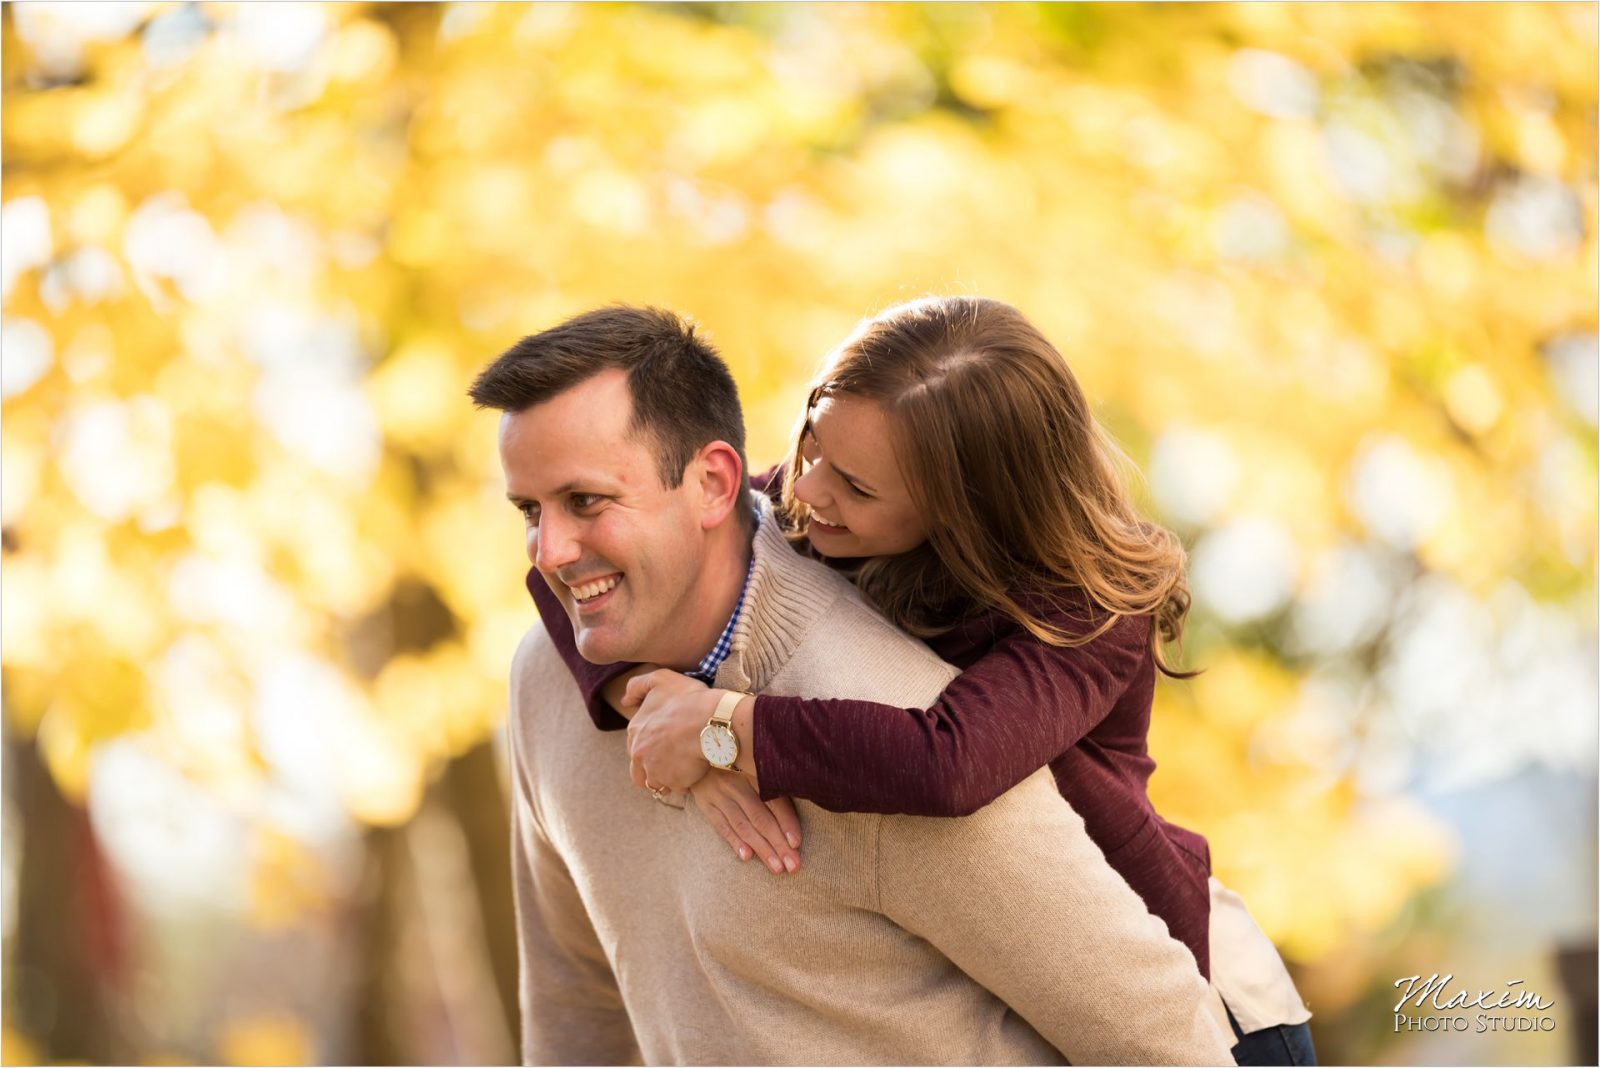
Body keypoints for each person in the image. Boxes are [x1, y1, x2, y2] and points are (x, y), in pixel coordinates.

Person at [527, 296, 1316, 1066]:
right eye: (812, 447)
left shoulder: (1088, 614)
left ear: (966, 508)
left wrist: (722, 731)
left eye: (858, 488)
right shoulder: (820, 506)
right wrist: (639, 696)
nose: (806, 493)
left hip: (1200, 1006)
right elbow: (594, 573)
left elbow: (948, 761)